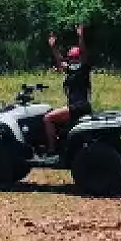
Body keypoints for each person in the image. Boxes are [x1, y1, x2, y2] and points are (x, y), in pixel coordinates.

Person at [44, 24, 90, 155]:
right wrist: (53, 47)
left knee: (47, 118)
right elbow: (60, 61)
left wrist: (81, 37)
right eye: (71, 58)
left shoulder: (83, 69)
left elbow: (83, 52)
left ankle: (52, 150)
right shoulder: (72, 70)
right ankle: (61, 142)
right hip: (78, 106)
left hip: (78, 107)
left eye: (74, 58)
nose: (72, 61)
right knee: (52, 114)